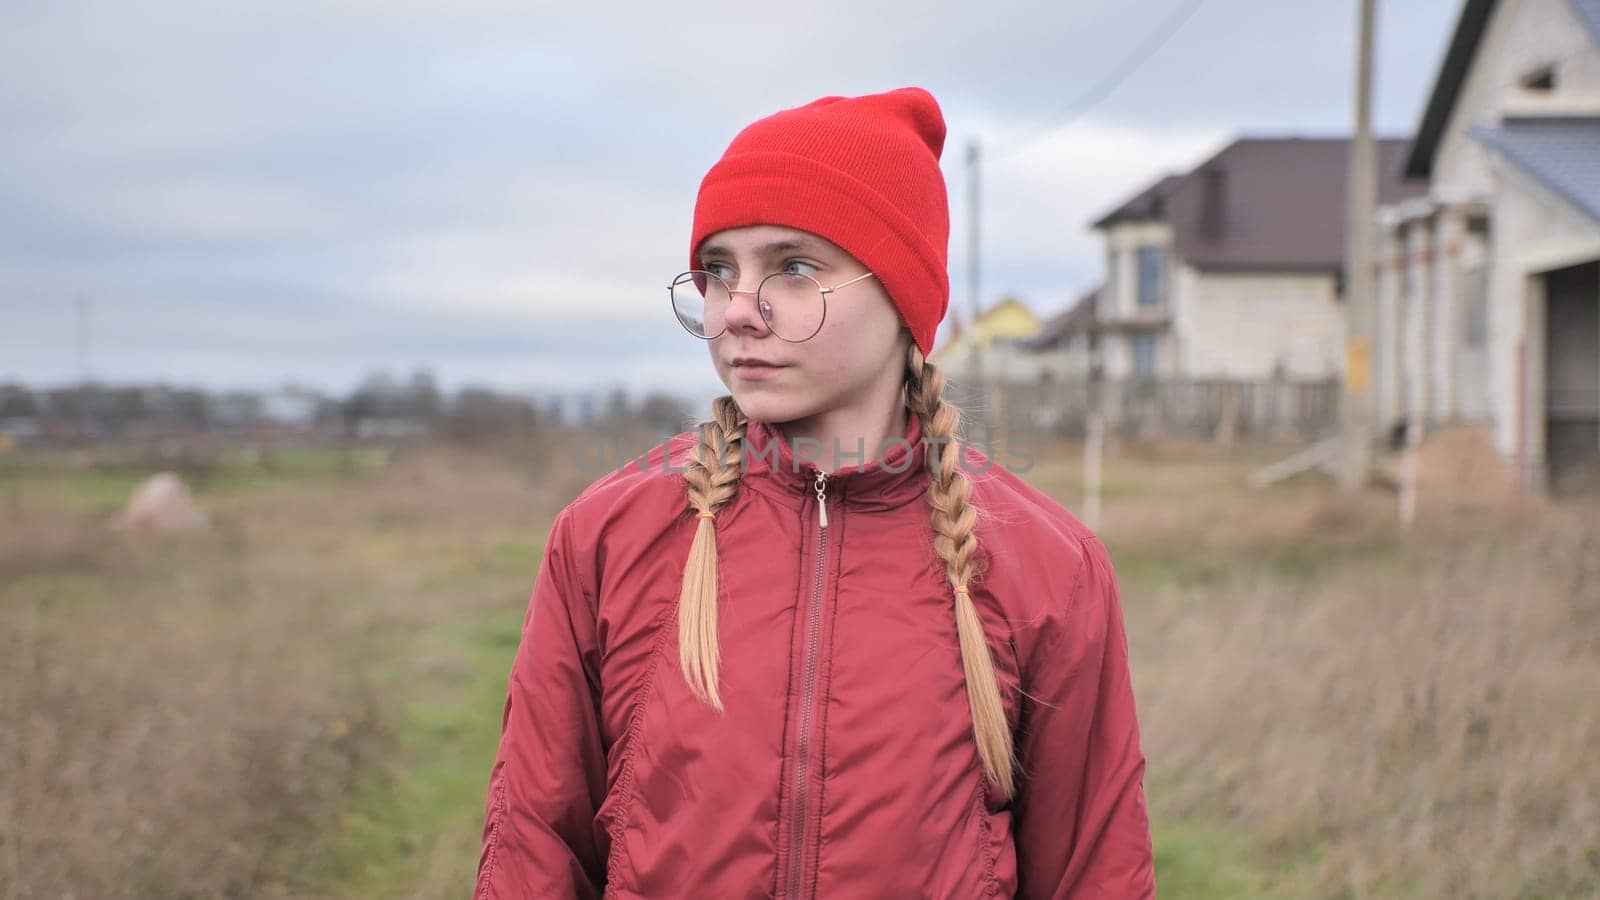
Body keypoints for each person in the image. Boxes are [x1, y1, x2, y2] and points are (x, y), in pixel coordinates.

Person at [473, 85, 1155, 899]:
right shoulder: (605, 539)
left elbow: (1096, 871)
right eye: (718, 272)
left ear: (902, 294)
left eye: (794, 269)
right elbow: (532, 850)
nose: (737, 313)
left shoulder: (1049, 566)